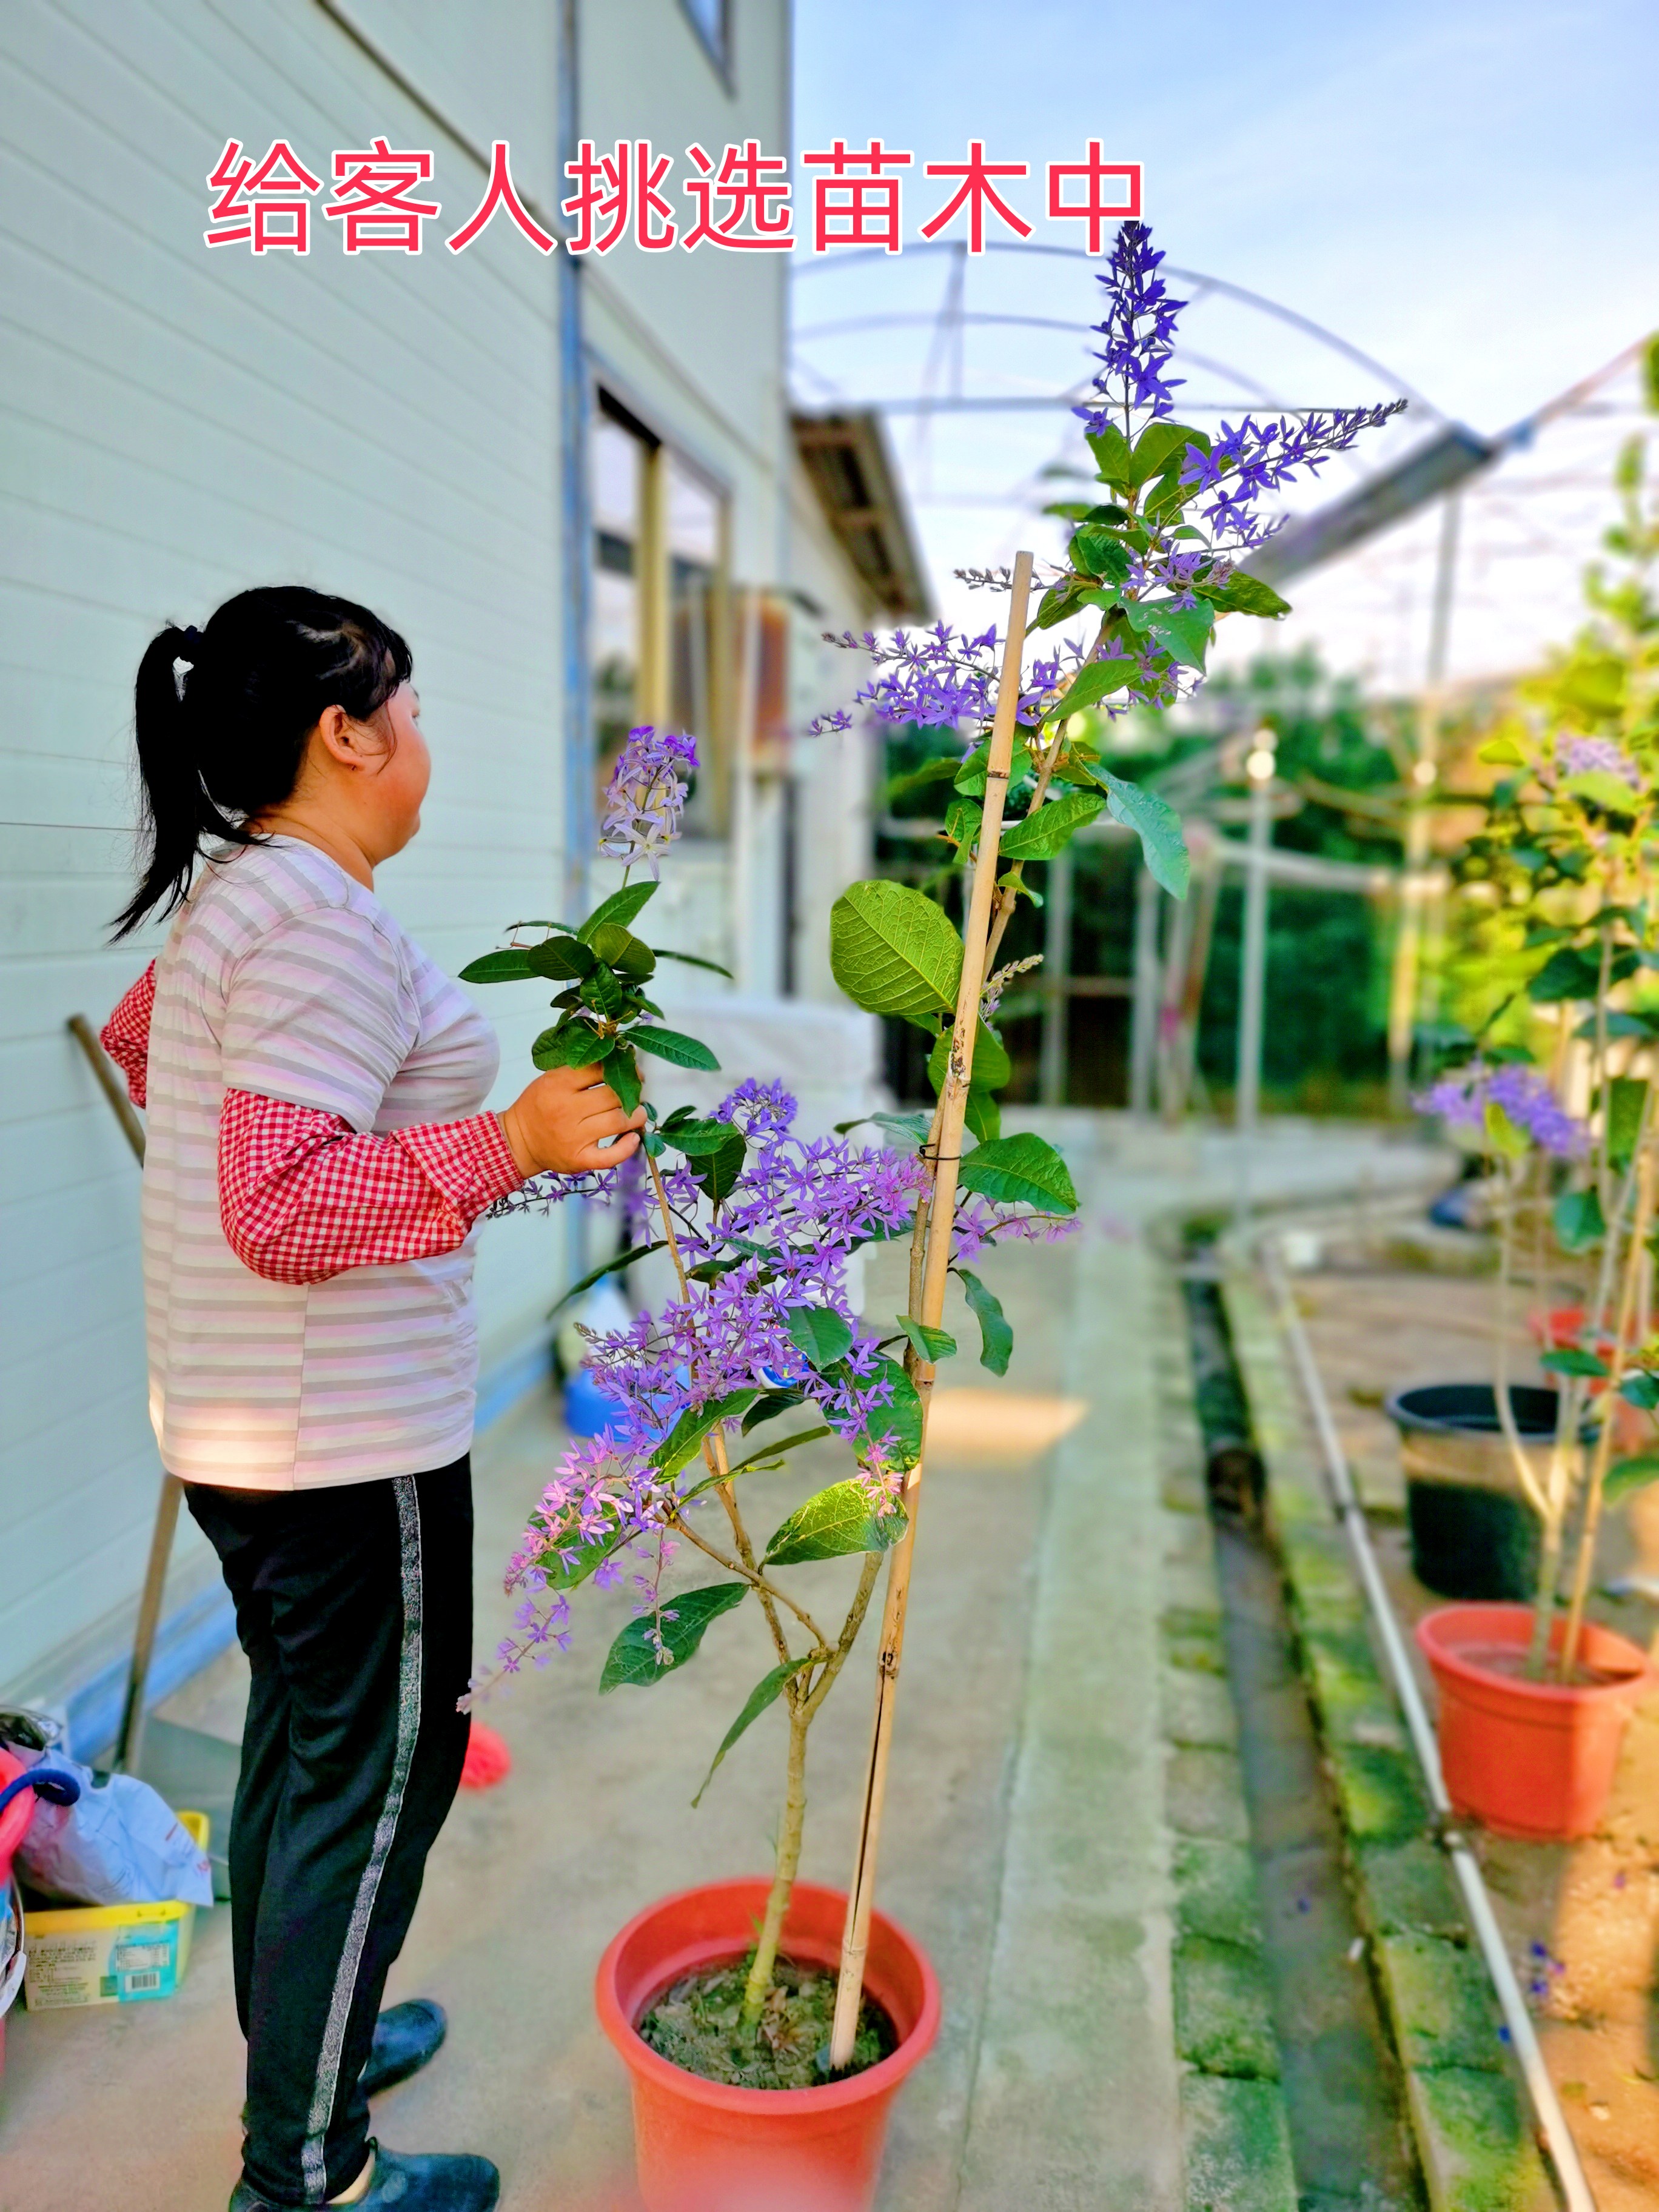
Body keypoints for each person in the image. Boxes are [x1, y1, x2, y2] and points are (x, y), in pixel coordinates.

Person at [99, 587, 643, 2212]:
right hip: (347, 1449)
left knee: (307, 1749)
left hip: (248, 1426)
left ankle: (309, 2053)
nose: (421, 745)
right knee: (382, 1776)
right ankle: (311, 2171)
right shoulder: (317, 923)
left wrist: (426, 1182)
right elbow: (275, 1205)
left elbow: (152, 1057)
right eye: (404, 713)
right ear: (345, 734)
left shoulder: (242, 901)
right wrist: (508, 1148)